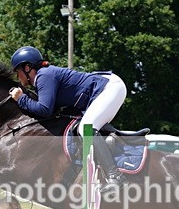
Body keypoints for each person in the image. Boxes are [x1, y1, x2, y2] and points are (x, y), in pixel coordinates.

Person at [8, 46, 128, 190]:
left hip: (109, 88)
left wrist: (21, 99)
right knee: (83, 127)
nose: (17, 76)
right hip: (103, 89)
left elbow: (44, 110)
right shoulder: (44, 77)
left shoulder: (44, 76)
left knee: (87, 128)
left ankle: (116, 177)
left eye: (18, 71)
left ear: (27, 68)